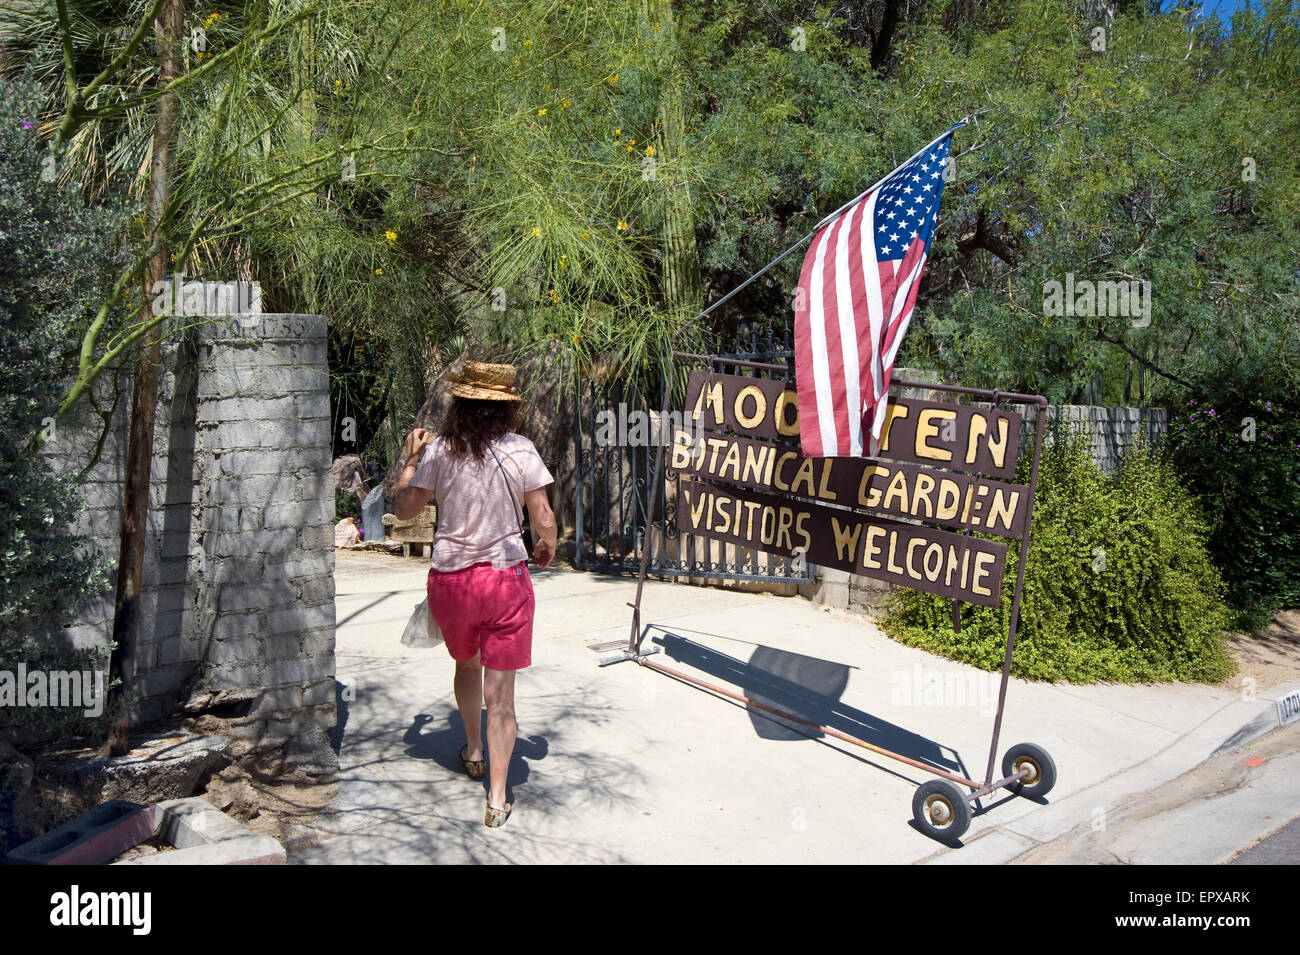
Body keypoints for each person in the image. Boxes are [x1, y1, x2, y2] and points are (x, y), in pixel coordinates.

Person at [393, 361, 557, 828]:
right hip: (506, 580)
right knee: (502, 697)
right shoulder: (521, 449)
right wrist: (548, 545)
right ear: (506, 410)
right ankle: (498, 798)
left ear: (460, 405)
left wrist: (410, 460)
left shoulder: (440, 450)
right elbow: (542, 516)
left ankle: (473, 749)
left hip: (453, 583)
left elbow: (405, 511)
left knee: (466, 665)